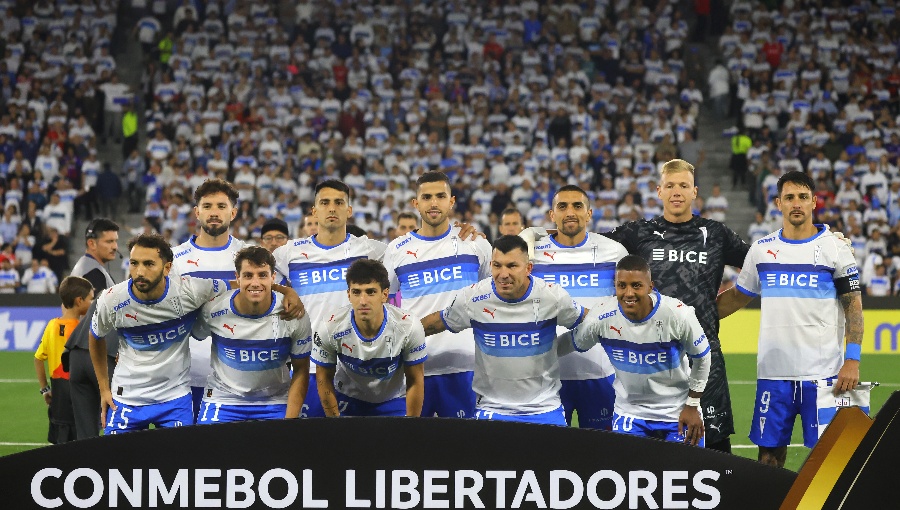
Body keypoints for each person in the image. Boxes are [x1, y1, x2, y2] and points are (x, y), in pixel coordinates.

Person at [716, 170, 863, 467]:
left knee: (832, 460)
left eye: (803, 197)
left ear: (814, 202)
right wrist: (693, 317)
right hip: (774, 373)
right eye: (790, 198)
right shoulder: (762, 250)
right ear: (778, 203)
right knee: (769, 456)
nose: (796, 203)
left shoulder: (836, 249)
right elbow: (738, 296)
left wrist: (853, 360)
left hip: (825, 374)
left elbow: (854, 308)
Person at [602, 159, 749, 453]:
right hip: (651, 357)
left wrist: (713, 309)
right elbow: (585, 248)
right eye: (670, 186)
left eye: (683, 185)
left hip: (704, 355)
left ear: (695, 192)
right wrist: (534, 238)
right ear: (659, 191)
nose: (676, 192)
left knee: (715, 451)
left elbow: (763, 262)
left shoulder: (715, 234)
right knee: (651, 456)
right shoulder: (637, 233)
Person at [89, 233, 304, 433]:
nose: (140, 272)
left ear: (167, 268)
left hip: (174, 398)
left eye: (149, 264)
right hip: (127, 397)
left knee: (184, 464)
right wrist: (103, 389)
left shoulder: (190, 291)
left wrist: (286, 290)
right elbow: (95, 337)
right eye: (134, 263)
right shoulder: (112, 300)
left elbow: (244, 284)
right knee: (114, 463)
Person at [420, 235, 586, 425]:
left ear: (528, 268)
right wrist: (401, 335)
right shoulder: (473, 298)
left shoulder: (552, 296)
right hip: (492, 408)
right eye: (497, 265)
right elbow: (437, 322)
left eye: (512, 266)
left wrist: (566, 344)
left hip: (545, 407)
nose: (503, 274)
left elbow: (589, 322)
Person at [564, 255, 710, 445]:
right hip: (630, 413)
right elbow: (571, 343)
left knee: (685, 472)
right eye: (622, 285)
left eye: (636, 285)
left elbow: (702, 358)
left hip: (677, 412)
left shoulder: (679, 315)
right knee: (630, 474)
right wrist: (538, 350)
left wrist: (692, 405)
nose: (628, 293)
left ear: (650, 286)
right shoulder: (600, 317)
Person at [274, 180, 389, 418]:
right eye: (325, 203)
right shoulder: (289, 253)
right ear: (314, 211)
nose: (332, 208)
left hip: (357, 366)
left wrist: (466, 236)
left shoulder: (372, 250)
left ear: (349, 210)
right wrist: (287, 291)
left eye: (339, 203)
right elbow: (254, 282)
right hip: (309, 366)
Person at [382, 171, 491, 418]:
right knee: (415, 452)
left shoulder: (475, 244)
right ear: (415, 203)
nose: (433, 203)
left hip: (467, 367)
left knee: (464, 452)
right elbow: (386, 304)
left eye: (440, 196)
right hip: (414, 367)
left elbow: (492, 298)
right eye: (427, 197)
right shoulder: (396, 250)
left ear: (451, 201)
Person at [529, 185, 629, 429]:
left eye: (577, 206)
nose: (570, 212)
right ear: (552, 215)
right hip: (547, 378)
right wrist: (529, 234)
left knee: (601, 458)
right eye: (562, 206)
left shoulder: (613, 251)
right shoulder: (534, 254)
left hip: (600, 374)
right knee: (550, 459)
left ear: (589, 213)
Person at [192, 247, 312, 423]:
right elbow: (197, 334)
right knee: (210, 450)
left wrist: (290, 422)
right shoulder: (214, 309)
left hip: (275, 400)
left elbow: (301, 369)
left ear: (273, 278)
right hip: (223, 398)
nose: (255, 283)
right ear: (237, 277)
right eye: (248, 275)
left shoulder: (293, 313)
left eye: (262, 275)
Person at [170, 179, 248, 421]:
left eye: (222, 206)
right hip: (185, 376)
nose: (214, 212)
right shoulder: (174, 259)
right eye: (208, 206)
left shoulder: (249, 257)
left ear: (233, 212)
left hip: (237, 379)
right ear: (197, 212)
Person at [312, 259, 426, 417]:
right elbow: (323, 378)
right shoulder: (329, 326)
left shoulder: (409, 326)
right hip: (348, 398)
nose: (363, 301)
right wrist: (335, 422)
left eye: (371, 292)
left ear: (385, 294)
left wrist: (411, 425)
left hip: (392, 400)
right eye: (356, 292)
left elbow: (415, 380)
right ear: (348, 295)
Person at [64, 218, 121, 440]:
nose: (115, 246)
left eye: (115, 241)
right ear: (91, 244)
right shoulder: (91, 274)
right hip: (98, 352)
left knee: (86, 433)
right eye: (108, 241)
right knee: (117, 419)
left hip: (77, 351)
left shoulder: (89, 268)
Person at [34, 276, 94, 444]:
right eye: (91, 298)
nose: (93, 302)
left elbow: (38, 359)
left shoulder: (52, 325)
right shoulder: (83, 330)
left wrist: (45, 389)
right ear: (79, 301)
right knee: (84, 445)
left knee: (60, 451)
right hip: (80, 399)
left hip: (59, 401)